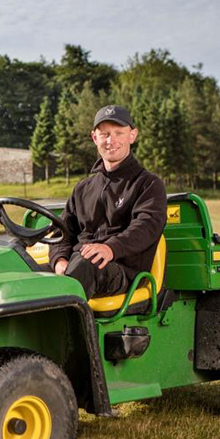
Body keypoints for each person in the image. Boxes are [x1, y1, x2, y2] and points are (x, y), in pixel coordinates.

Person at [48, 105, 166, 299]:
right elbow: (63, 231)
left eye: (119, 133)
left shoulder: (148, 184)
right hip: (79, 263)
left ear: (132, 135)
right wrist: (59, 260)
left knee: (85, 265)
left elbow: (147, 227)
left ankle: (56, 328)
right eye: (105, 134)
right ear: (95, 138)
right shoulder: (82, 188)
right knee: (25, 271)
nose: (111, 141)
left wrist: (111, 248)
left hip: (121, 269)